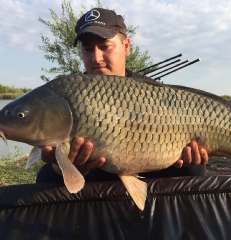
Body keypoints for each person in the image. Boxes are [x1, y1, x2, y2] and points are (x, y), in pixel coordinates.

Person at [36, 8, 208, 183]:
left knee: (195, 168)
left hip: (151, 197)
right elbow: (46, 183)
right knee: (45, 178)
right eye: (88, 49)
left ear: (126, 47)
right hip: (98, 202)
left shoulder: (158, 95)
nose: (96, 58)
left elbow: (194, 176)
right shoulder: (70, 95)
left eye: (105, 47)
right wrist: (63, 168)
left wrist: (189, 164)